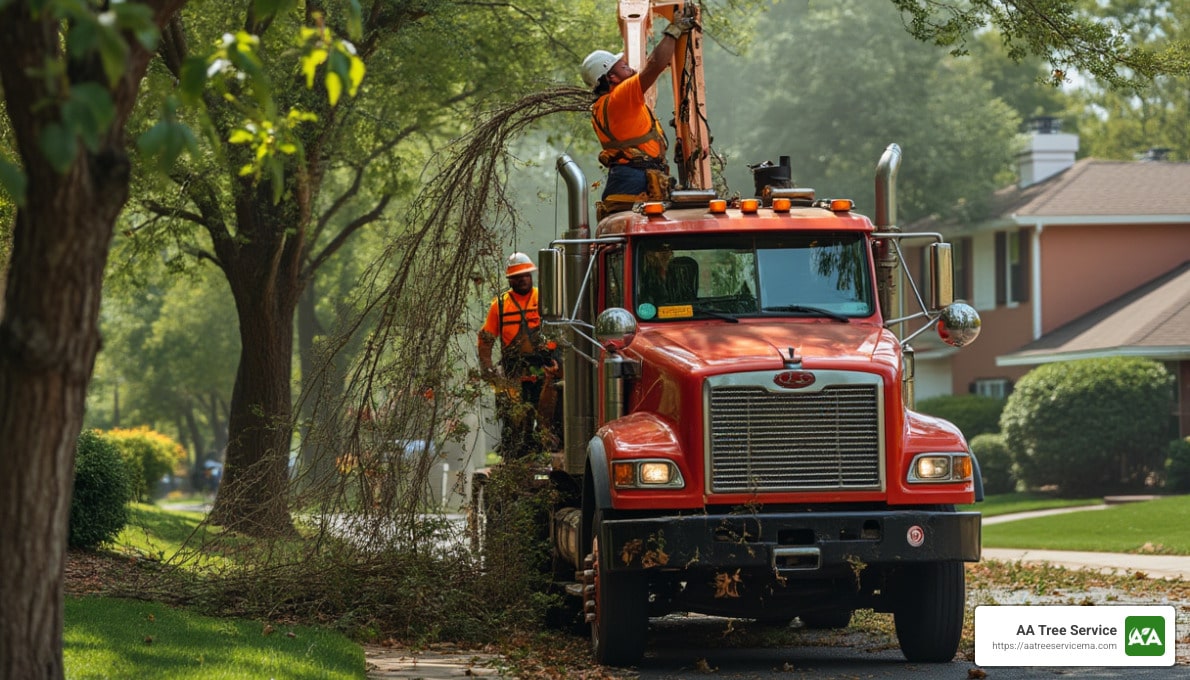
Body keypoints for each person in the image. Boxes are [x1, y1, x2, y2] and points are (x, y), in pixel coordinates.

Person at [581, 6, 700, 207]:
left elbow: (654, 65)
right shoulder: (620, 97)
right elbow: (654, 65)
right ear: (612, 77)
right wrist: (674, 30)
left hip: (630, 177)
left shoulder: (607, 104)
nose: (629, 67)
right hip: (634, 180)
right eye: (623, 66)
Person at [478, 252, 560, 460]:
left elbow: (560, 331)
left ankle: (547, 448)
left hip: (544, 368)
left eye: (525, 275)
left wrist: (558, 361)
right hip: (512, 371)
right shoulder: (499, 305)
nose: (522, 279)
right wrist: (488, 369)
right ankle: (513, 453)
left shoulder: (544, 299)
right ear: (510, 279)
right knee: (513, 419)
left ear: (531, 275)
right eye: (517, 276)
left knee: (549, 413)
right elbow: (486, 339)